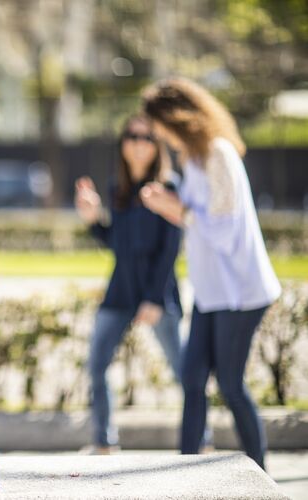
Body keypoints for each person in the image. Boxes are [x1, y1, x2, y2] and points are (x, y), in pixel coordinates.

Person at [140, 77, 281, 469]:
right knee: (192, 379)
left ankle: (261, 475)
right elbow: (198, 219)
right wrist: (168, 203)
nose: (156, 134)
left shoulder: (219, 154)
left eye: (158, 124)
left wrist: (174, 207)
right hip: (211, 291)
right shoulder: (191, 158)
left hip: (240, 291)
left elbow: (223, 227)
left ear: (176, 119)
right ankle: (186, 473)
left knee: (231, 385)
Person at [75, 115, 183, 454]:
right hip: (120, 290)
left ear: (157, 146)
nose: (139, 143)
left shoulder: (169, 188)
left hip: (158, 292)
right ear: (123, 142)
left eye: (147, 137)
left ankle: (202, 440)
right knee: (96, 364)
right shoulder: (116, 188)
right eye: (132, 135)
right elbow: (117, 243)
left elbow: (170, 249)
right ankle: (104, 443)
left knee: (183, 371)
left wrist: (153, 298)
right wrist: (94, 221)